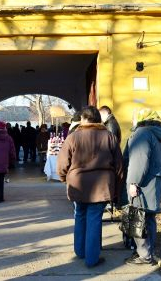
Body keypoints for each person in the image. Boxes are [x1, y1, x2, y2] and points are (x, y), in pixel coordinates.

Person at [57, 106, 124, 267]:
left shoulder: (73, 137)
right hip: (101, 186)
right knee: (94, 219)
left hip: (78, 185)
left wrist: (65, 179)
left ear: (83, 120)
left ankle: (80, 251)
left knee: (80, 215)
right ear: (98, 120)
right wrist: (117, 186)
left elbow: (61, 164)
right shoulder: (109, 137)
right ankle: (92, 258)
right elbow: (119, 166)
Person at [123, 108, 161, 265]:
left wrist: (134, 182)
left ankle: (144, 255)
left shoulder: (142, 133)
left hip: (143, 183)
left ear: (141, 119)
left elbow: (139, 161)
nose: (132, 120)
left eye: (134, 117)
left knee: (137, 217)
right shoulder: (156, 133)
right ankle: (149, 251)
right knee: (148, 218)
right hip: (153, 181)